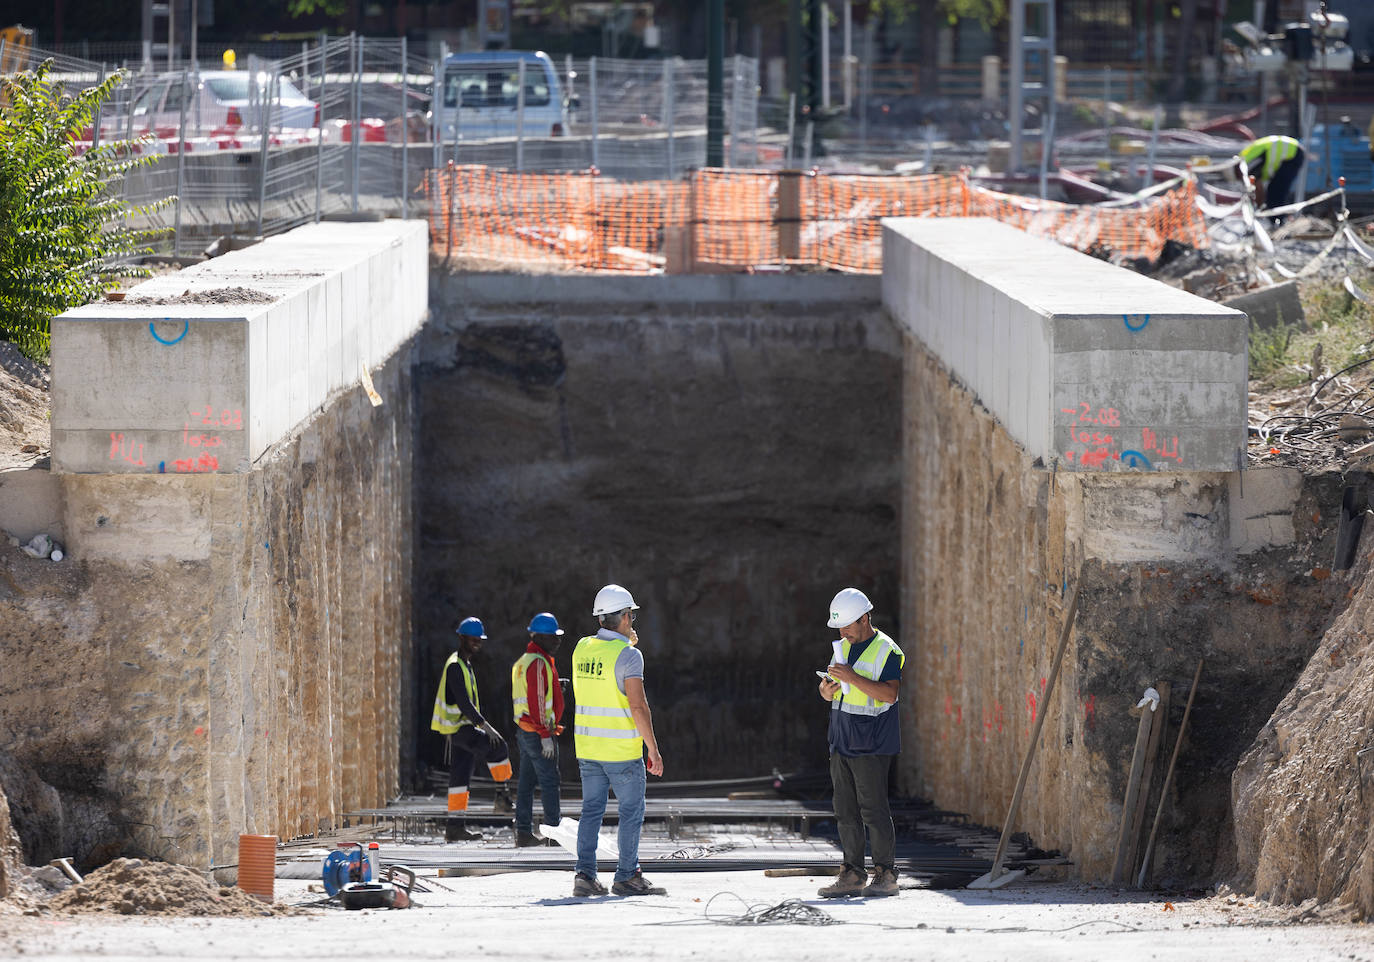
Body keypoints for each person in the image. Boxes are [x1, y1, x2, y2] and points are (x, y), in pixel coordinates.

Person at [570, 584, 666, 897]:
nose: (633, 620)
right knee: (630, 812)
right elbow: (638, 706)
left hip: (588, 747)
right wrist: (653, 748)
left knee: (591, 811)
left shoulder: (581, 648)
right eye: (632, 615)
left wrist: (626, 643)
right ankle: (627, 876)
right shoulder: (629, 656)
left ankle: (584, 876)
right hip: (621, 750)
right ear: (625, 617)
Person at [816, 587, 905, 898]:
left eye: (848, 625)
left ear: (865, 618)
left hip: (872, 742)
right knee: (845, 810)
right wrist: (826, 691)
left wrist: (851, 677)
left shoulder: (887, 650)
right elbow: (838, 689)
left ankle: (886, 874)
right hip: (842, 739)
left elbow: (889, 695)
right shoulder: (842, 647)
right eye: (839, 627)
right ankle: (852, 873)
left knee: (873, 810)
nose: (843, 632)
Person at [431, 616, 514, 842]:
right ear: (461, 638)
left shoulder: (464, 665)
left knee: (460, 779)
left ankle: (455, 827)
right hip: (460, 728)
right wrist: (486, 727)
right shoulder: (456, 666)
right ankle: (502, 795)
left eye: (479, 639)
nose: (477, 642)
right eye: (472, 638)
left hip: (459, 729)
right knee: (498, 747)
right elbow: (464, 703)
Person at [511, 611, 567, 847]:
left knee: (526, 782)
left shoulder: (524, 661)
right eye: (553, 637)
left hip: (525, 731)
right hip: (537, 733)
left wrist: (556, 688)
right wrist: (545, 735)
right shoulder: (537, 662)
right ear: (540, 637)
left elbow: (532, 696)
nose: (558, 641)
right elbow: (536, 702)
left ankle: (523, 832)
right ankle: (554, 835)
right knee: (550, 781)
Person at [1239, 134, 1305, 212]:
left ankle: (1276, 218)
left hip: (1293, 154)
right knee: (1275, 189)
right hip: (1292, 150)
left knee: (1276, 190)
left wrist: (1259, 206)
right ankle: (1274, 216)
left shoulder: (1248, 163)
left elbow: (1258, 186)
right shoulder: (1246, 156)